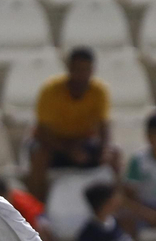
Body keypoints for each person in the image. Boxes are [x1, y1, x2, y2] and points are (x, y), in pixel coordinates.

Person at [27, 46, 120, 201]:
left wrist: (104, 150)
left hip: (84, 143)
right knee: (39, 156)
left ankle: (111, 204)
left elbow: (104, 126)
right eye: (77, 69)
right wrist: (68, 150)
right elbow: (42, 132)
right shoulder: (50, 90)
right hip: (54, 144)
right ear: (69, 69)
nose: (81, 75)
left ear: (92, 70)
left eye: (86, 70)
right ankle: (37, 207)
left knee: (114, 154)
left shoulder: (99, 91)